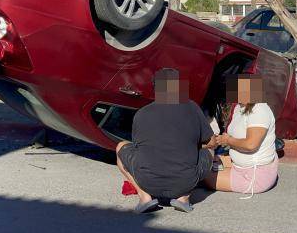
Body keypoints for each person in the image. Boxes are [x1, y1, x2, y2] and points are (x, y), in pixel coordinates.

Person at [116, 68, 216, 213]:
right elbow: (211, 142)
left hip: (147, 182)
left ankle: (145, 197)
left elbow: (138, 147)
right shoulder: (192, 107)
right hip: (184, 183)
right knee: (209, 149)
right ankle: (183, 198)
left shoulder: (141, 113)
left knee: (121, 146)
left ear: (156, 88)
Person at [205, 74, 278, 196]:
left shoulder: (259, 109)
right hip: (238, 163)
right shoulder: (240, 107)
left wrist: (228, 140)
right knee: (203, 162)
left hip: (254, 174)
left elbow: (251, 145)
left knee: (201, 175)